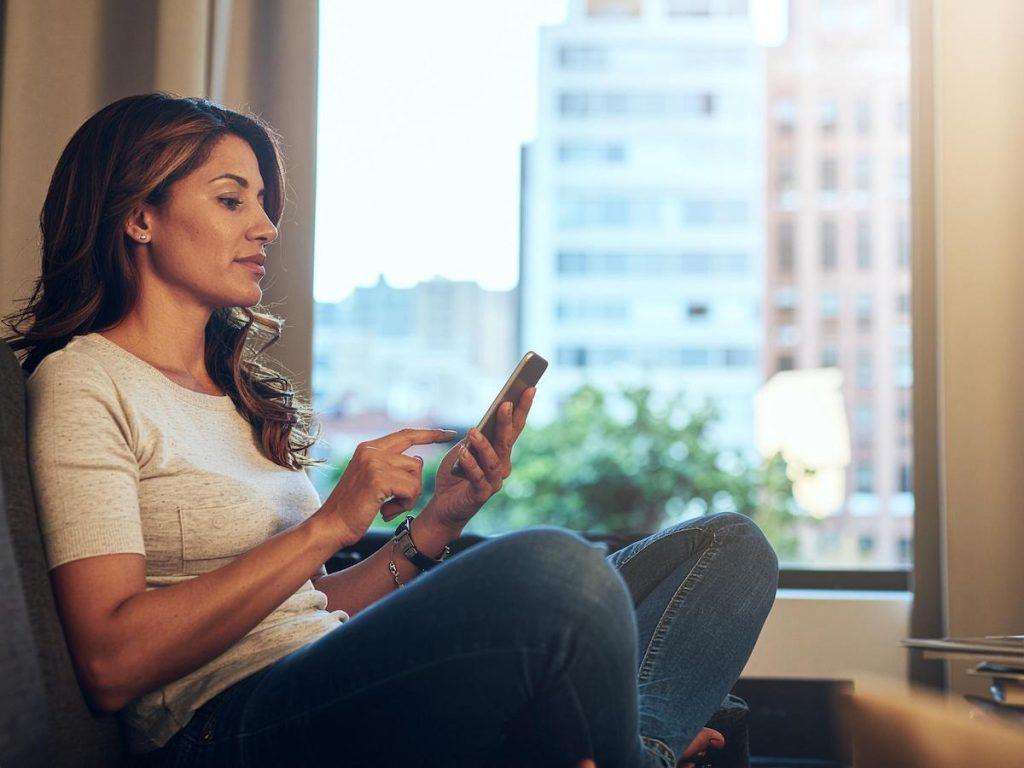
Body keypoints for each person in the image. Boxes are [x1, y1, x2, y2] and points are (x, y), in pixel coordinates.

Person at [4, 93, 779, 768]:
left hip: (328, 674)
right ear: (140, 216)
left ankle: (631, 749)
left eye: (263, 203)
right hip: (228, 728)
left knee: (727, 548)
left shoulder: (237, 395)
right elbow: (110, 659)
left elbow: (312, 607)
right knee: (559, 573)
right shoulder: (85, 380)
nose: (268, 225)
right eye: (232, 199)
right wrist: (332, 523)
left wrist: (437, 524)